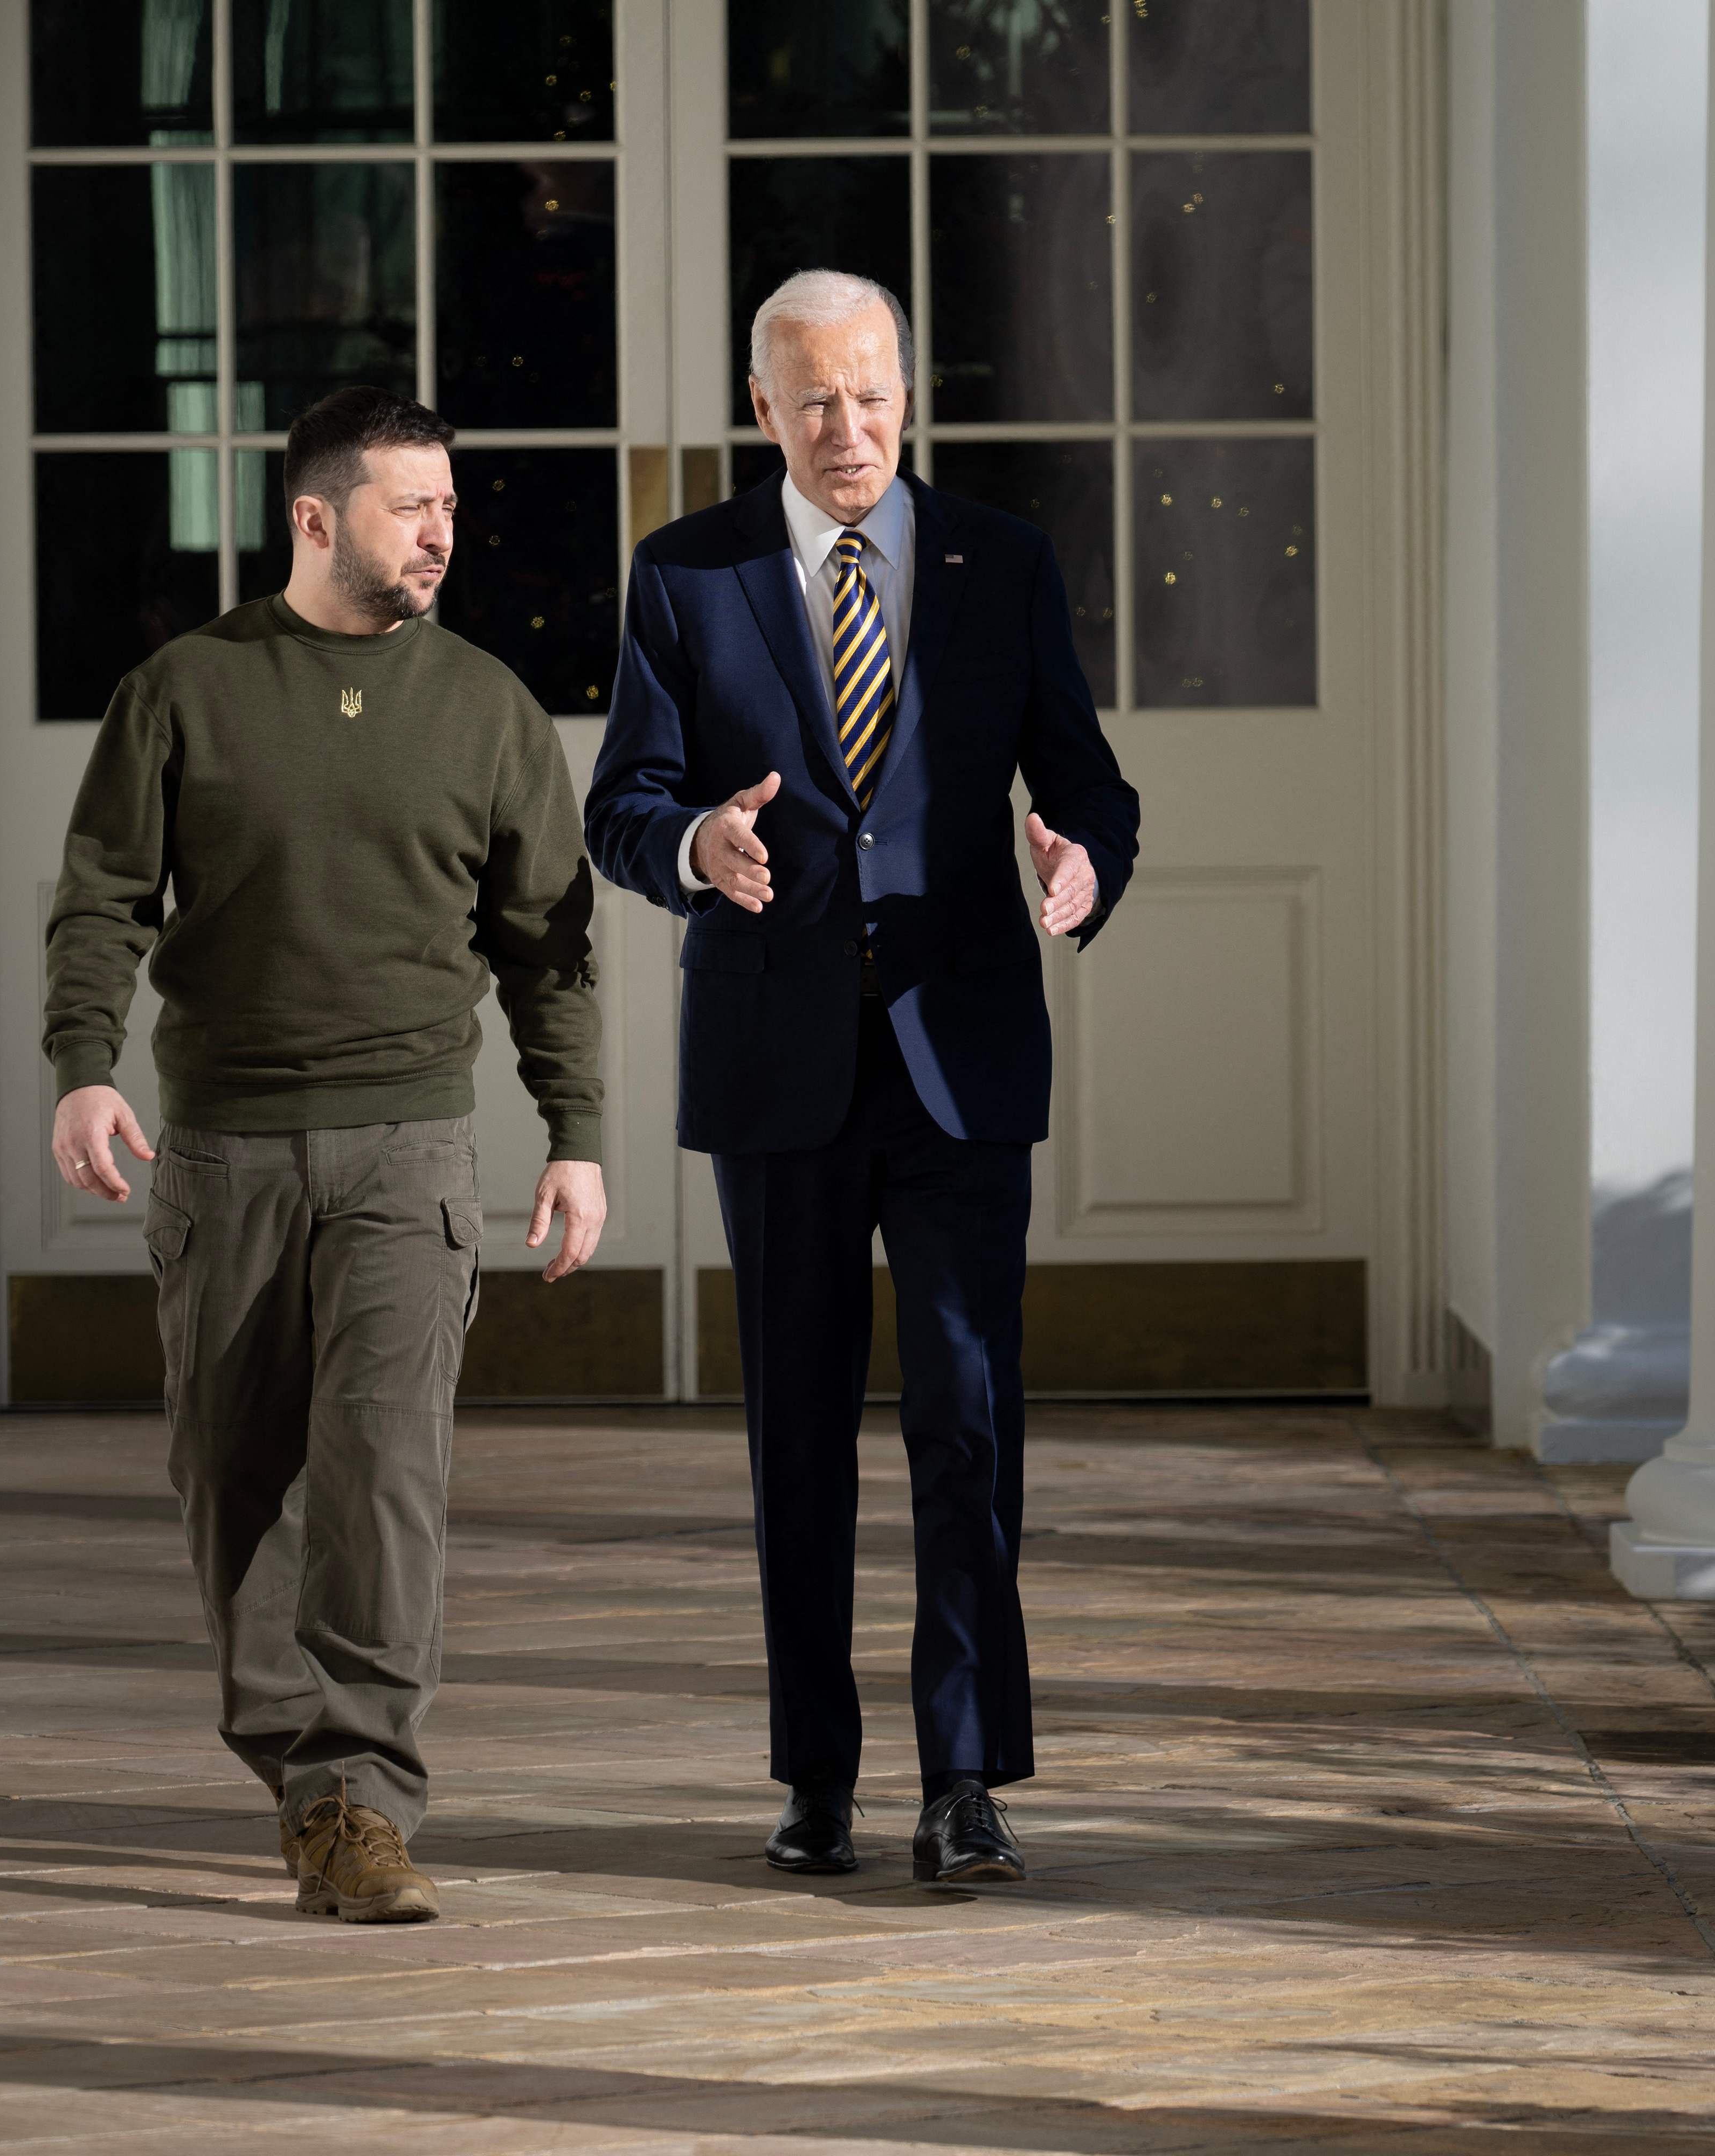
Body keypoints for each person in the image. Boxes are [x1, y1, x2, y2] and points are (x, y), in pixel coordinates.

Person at [587, 271, 1140, 1885]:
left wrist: (1083, 862)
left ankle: (964, 1782)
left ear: (910, 392)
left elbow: (1090, 782)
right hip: (779, 1062)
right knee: (800, 1433)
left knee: (968, 1422)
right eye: (816, 398)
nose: (850, 427)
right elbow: (622, 803)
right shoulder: (686, 574)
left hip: (960, 1058)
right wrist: (697, 842)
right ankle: (814, 1778)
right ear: (762, 407)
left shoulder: (1001, 561)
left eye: (875, 391)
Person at [43, 385, 608, 1925]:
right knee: (233, 1482)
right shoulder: (183, 692)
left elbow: (550, 945)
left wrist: (576, 1135)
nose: (441, 534)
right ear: (314, 517)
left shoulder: (488, 709)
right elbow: (103, 900)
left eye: (449, 506)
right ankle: (304, 1776)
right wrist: (84, 1068)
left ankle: (361, 1794)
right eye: (409, 506)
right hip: (221, 1154)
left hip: (411, 1153)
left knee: (384, 1478)